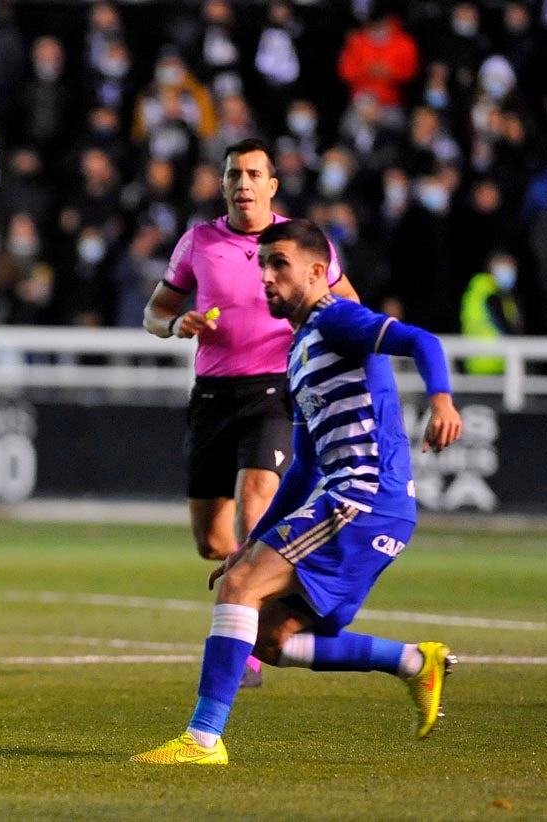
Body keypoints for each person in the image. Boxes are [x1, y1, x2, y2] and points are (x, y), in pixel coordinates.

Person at [132, 219, 462, 766]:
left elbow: (420, 340)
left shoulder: (338, 320)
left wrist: (444, 401)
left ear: (316, 271)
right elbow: (304, 467)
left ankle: (202, 740)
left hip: (363, 499)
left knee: (240, 587)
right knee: (271, 639)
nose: (265, 276)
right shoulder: (301, 350)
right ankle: (414, 663)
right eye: (262, 264)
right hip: (354, 501)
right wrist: (250, 542)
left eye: (278, 264)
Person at [143, 138, 359, 687]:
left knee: (257, 498)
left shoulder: (299, 242)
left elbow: (351, 306)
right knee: (213, 542)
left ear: (271, 186)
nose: (243, 184)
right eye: (234, 174)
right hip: (213, 396)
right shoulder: (199, 241)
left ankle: (250, 641)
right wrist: (176, 325)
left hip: (275, 387)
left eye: (253, 174)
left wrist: (318, 334)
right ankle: (261, 586)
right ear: (222, 184)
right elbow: (156, 311)